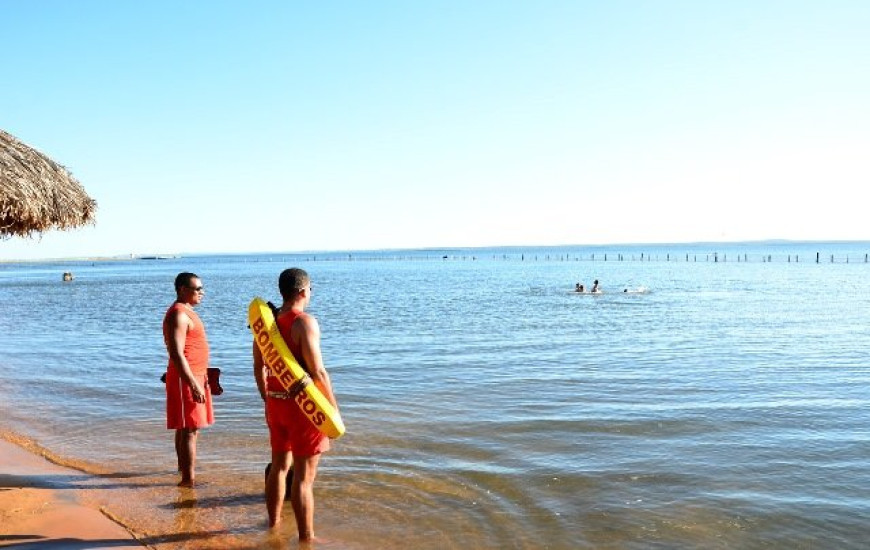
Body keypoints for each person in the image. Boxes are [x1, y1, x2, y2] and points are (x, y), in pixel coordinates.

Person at [253, 268, 339, 541]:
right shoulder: (304, 322)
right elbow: (319, 373)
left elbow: (258, 369)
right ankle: (306, 538)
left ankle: (273, 526)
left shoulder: (264, 326)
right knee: (303, 478)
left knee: (278, 467)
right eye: (310, 290)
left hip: (276, 404)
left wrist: (268, 399)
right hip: (304, 407)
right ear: (304, 291)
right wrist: (333, 412)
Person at [163, 272, 214, 488]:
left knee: (185, 428)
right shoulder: (179, 314)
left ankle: (183, 471)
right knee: (190, 430)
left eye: (201, 288)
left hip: (194, 375)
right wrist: (193, 383)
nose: (202, 292)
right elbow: (177, 353)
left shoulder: (187, 311)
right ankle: (188, 480)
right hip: (188, 378)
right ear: (183, 289)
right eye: (197, 289)